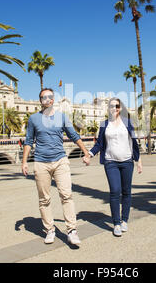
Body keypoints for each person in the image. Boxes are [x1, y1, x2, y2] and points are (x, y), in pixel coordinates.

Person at [22, 88, 91, 246]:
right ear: (40, 100)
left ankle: (72, 230)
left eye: (49, 97)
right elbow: (28, 141)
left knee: (66, 195)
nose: (46, 99)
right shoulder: (33, 119)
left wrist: (86, 152)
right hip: (40, 162)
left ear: (53, 99)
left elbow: (74, 136)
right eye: (43, 97)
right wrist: (24, 162)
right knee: (44, 199)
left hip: (60, 161)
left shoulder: (62, 117)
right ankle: (50, 230)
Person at [84, 98, 142, 237]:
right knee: (115, 191)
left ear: (120, 108)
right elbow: (99, 144)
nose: (114, 108)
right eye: (111, 106)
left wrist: (139, 161)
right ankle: (116, 223)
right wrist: (89, 154)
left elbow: (134, 143)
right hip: (111, 162)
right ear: (108, 108)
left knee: (126, 191)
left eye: (117, 106)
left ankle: (124, 220)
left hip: (127, 161)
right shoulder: (104, 124)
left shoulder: (127, 123)